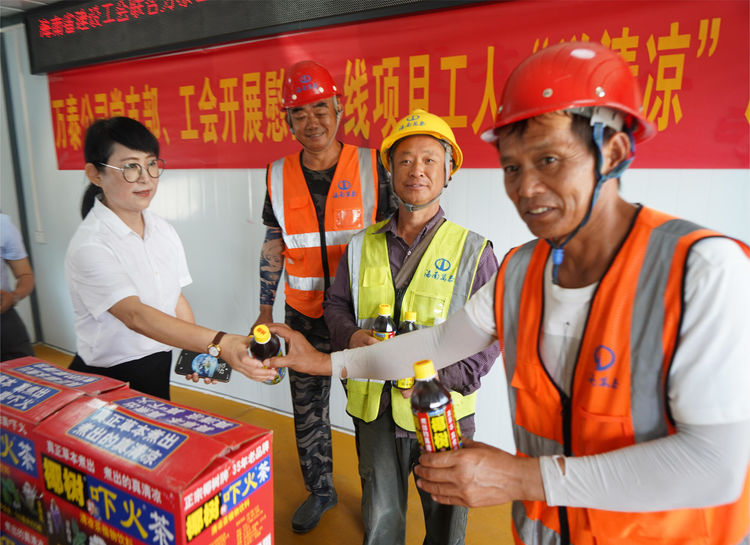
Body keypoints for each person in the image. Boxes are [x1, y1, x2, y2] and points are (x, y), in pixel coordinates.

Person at [255, 43, 750, 544]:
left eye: (549, 159)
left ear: (615, 152)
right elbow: (434, 346)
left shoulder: (699, 270)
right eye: (512, 168)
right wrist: (322, 362)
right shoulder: (521, 272)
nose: (527, 188)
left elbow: (717, 467)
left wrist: (520, 478)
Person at [323, 109, 499, 545]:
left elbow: (488, 343)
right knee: (381, 520)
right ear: (390, 170)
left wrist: (437, 378)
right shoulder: (360, 245)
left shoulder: (474, 251)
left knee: (445, 524)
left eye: (429, 160)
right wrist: (352, 337)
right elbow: (336, 306)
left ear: (449, 171)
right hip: (376, 411)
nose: (416, 170)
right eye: (404, 160)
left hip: (441, 412)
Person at [250, 60, 396, 533]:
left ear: (339, 109)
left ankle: (379, 499)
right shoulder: (277, 174)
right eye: (299, 113)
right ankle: (320, 490)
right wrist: (264, 311)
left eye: (320, 109)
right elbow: (274, 243)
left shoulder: (375, 166)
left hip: (360, 318)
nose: (311, 121)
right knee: (308, 411)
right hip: (302, 316)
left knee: (371, 413)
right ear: (287, 120)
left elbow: (400, 237)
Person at [65, 116, 257, 400]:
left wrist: (198, 352)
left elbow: (174, 297)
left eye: (151, 163)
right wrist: (219, 343)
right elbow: (135, 316)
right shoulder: (91, 245)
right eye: (130, 166)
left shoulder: (161, 229)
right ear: (95, 175)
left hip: (157, 362)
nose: (146, 177)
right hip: (106, 376)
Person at [1, 213, 35, 360]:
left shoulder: (3, 225)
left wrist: (13, 297)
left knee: (28, 367)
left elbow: (25, 276)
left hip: (4, 319)